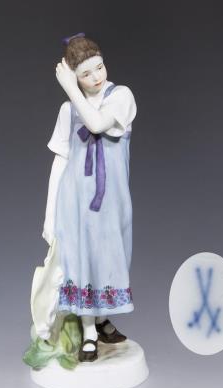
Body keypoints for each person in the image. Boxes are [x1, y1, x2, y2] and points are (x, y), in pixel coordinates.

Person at [41, 33, 137, 362]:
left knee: (109, 258)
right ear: (75, 76)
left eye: (99, 67)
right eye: (85, 73)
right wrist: (49, 215)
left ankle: (100, 317)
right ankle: (90, 332)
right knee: (80, 261)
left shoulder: (121, 96)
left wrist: (71, 86)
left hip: (112, 202)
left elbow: (96, 124)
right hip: (74, 203)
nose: (96, 77)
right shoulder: (69, 110)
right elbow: (60, 161)